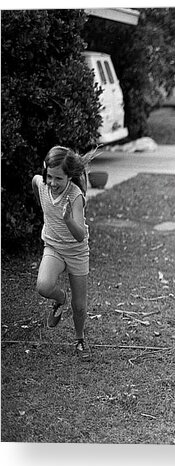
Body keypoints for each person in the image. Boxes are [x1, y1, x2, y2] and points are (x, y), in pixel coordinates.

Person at [31, 145, 94, 360]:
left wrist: (67, 219)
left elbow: (79, 236)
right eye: (50, 176)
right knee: (43, 286)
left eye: (59, 179)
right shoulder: (41, 183)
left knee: (79, 305)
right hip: (54, 247)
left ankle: (80, 339)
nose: (53, 183)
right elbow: (37, 187)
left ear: (69, 176)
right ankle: (60, 299)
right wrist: (45, 209)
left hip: (76, 252)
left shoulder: (75, 196)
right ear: (45, 171)